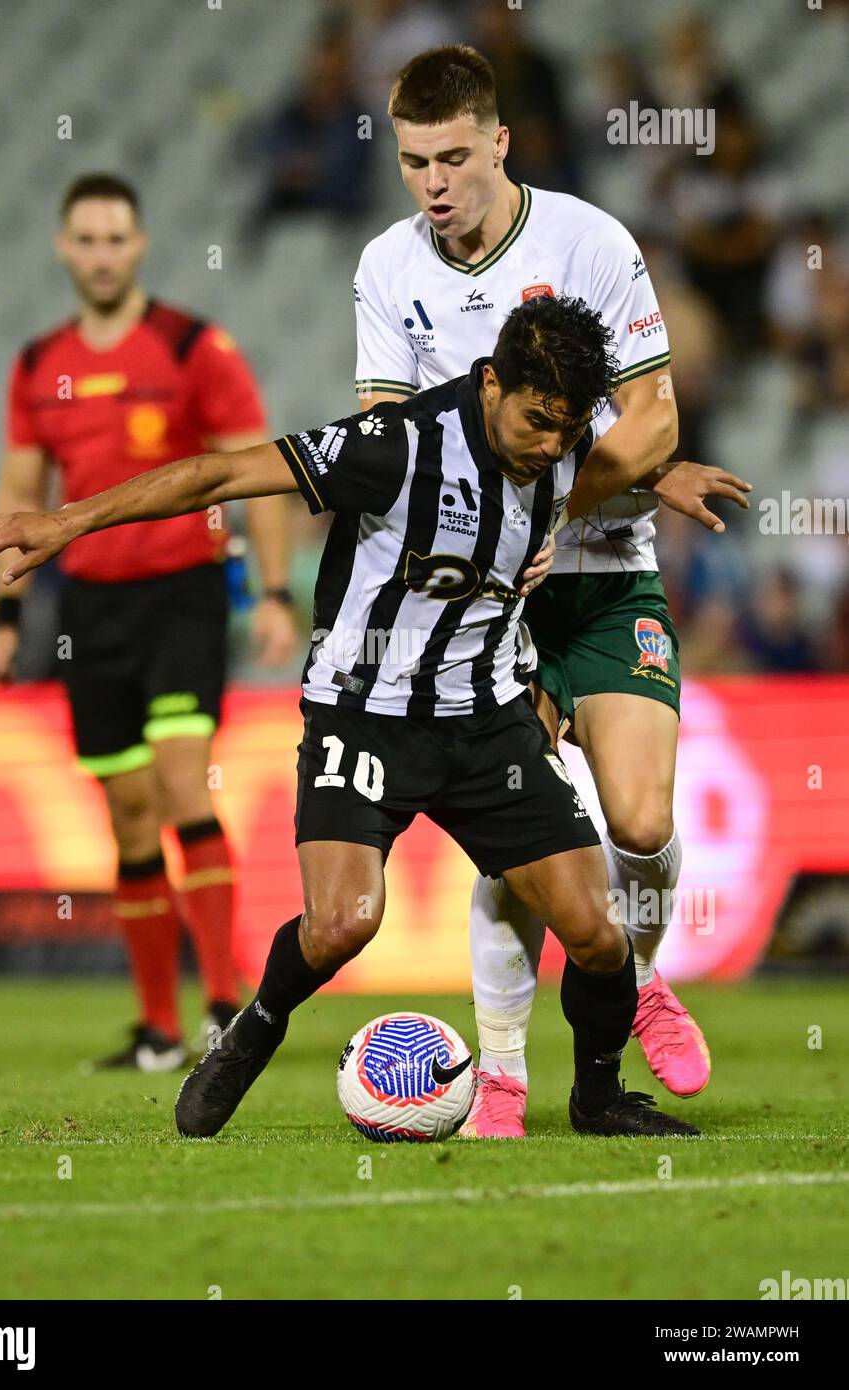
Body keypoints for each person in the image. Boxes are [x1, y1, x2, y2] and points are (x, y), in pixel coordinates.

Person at [0, 295, 701, 1143]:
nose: (546, 448)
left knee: (598, 934)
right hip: (362, 716)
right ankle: (251, 1031)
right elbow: (218, 474)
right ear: (491, 384)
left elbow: (615, 459)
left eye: (564, 432)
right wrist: (69, 520)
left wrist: (665, 472)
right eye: (535, 422)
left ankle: (598, 1100)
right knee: (341, 923)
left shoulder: (559, 449)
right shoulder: (395, 446)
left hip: (487, 717)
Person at [353, 46, 751, 1137]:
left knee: (636, 818)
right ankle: (502, 1076)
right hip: (485, 600)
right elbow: (396, 442)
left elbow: (657, 421)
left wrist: (555, 513)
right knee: (522, 848)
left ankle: (633, 976)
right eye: (410, 161)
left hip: (602, 573)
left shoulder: (589, 242)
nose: (432, 183)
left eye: (450, 157)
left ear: (498, 142)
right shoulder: (388, 268)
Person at [0, 173, 297, 1072]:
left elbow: (257, 469)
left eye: (117, 238)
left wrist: (273, 592)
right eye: (87, 239)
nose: (102, 254)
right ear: (63, 248)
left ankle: (228, 1010)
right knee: (125, 818)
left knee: (183, 788)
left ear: (141, 243)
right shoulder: (40, 365)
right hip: (90, 608)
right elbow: (19, 489)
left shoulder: (194, 347)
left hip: (185, 595)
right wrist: (6, 611)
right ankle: (160, 1029)